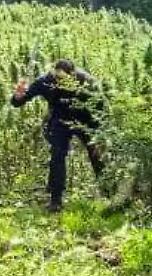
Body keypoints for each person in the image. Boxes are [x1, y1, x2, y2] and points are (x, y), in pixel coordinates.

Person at [11, 60, 107, 212]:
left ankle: (108, 193)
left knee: (96, 155)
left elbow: (101, 108)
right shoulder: (45, 81)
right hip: (60, 120)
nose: (61, 82)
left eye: (65, 79)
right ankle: (56, 200)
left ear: (73, 75)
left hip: (87, 120)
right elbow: (18, 102)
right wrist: (18, 95)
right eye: (58, 79)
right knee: (57, 155)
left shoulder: (86, 81)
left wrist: (99, 136)